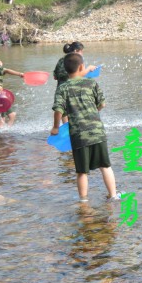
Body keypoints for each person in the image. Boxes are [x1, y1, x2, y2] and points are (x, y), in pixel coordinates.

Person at [51, 52, 120, 203]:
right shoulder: (91, 83)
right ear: (82, 66)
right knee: (105, 166)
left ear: (65, 69)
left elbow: (58, 110)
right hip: (97, 131)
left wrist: (55, 127)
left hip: (78, 134)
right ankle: (113, 195)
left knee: (82, 171)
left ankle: (83, 201)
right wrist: (93, 112)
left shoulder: (63, 88)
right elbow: (102, 104)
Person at [54, 42, 96, 125]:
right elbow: (78, 75)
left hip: (60, 89)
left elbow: (55, 77)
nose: (82, 53)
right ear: (76, 50)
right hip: (73, 90)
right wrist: (89, 69)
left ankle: (66, 129)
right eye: (81, 51)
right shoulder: (77, 60)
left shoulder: (61, 60)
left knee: (63, 110)